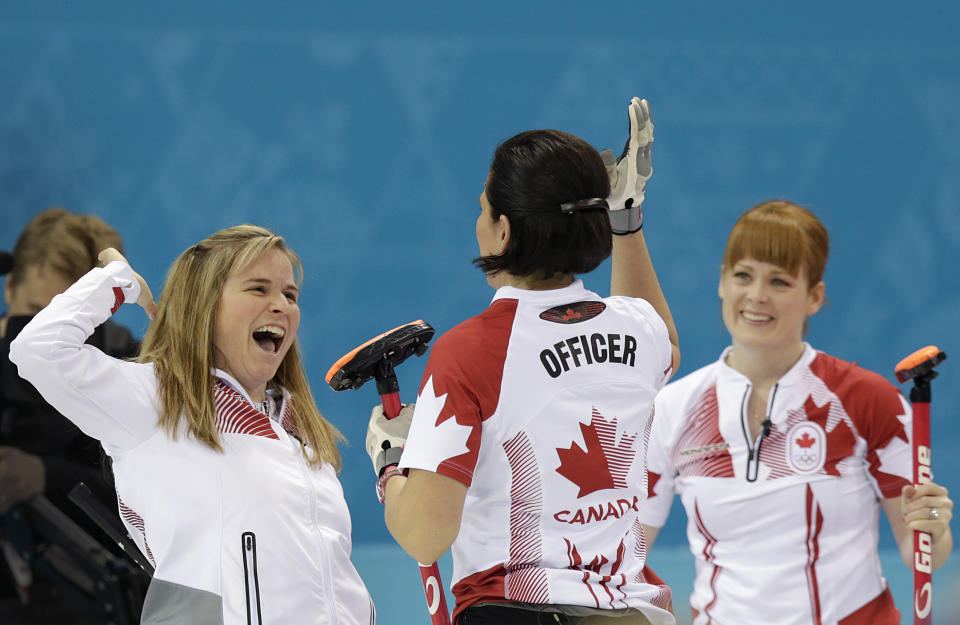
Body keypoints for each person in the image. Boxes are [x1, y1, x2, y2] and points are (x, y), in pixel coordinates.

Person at [366, 98, 681, 624]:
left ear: (505, 232)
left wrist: (391, 463)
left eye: (483, 209)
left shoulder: (471, 351)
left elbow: (426, 534)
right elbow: (661, 337)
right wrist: (625, 222)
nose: (478, 222)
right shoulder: (639, 330)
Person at [10, 224, 375, 624]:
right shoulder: (156, 400)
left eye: (290, 294)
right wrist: (117, 284)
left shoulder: (296, 428)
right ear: (203, 304)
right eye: (258, 289)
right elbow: (38, 351)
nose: (282, 305)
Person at [636, 200, 954, 624]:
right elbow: (627, 553)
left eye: (780, 282)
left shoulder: (867, 400)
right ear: (722, 283)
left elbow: (923, 558)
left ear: (814, 297)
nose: (757, 296)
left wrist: (934, 528)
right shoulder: (673, 408)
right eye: (743, 276)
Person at [0, 208, 141, 624]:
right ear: (9, 289)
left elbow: (156, 501)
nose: (40, 341)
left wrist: (45, 476)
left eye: (69, 324)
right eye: (32, 315)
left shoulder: (128, 368)